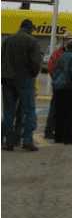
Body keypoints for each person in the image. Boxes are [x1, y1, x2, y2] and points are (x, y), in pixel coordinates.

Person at [2, 19, 43, 151]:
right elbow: (36, 63)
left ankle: (9, 142)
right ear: (30, 28)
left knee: (9, 112)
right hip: (25, 79)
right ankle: (27, 140)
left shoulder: (7, 40)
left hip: (8, 79)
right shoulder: (32, 41)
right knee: (28, 110)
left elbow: (2, 60)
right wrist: (33, 74)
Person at [43, 33, 72, 140]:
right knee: (55, 109)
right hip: (60, 86)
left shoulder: (70, 54)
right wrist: (57, 79)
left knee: (65, 111)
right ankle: (49, 130)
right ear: (64, 41)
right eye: (68, 40)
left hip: (67, 87)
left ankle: (60, 131)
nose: (69, 42)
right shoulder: (58, 54)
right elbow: (51, 68)